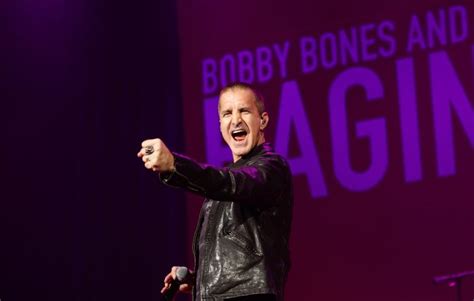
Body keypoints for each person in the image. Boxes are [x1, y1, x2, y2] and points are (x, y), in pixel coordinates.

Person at [137, 83, 293, 301]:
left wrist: (174, 164)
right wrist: (203, 277)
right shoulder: (226, 180)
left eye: (244, 111)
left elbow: (230, 183)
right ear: (220, 125)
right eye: (228, 113)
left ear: (263, 120)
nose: (236, 120)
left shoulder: (271, 167)